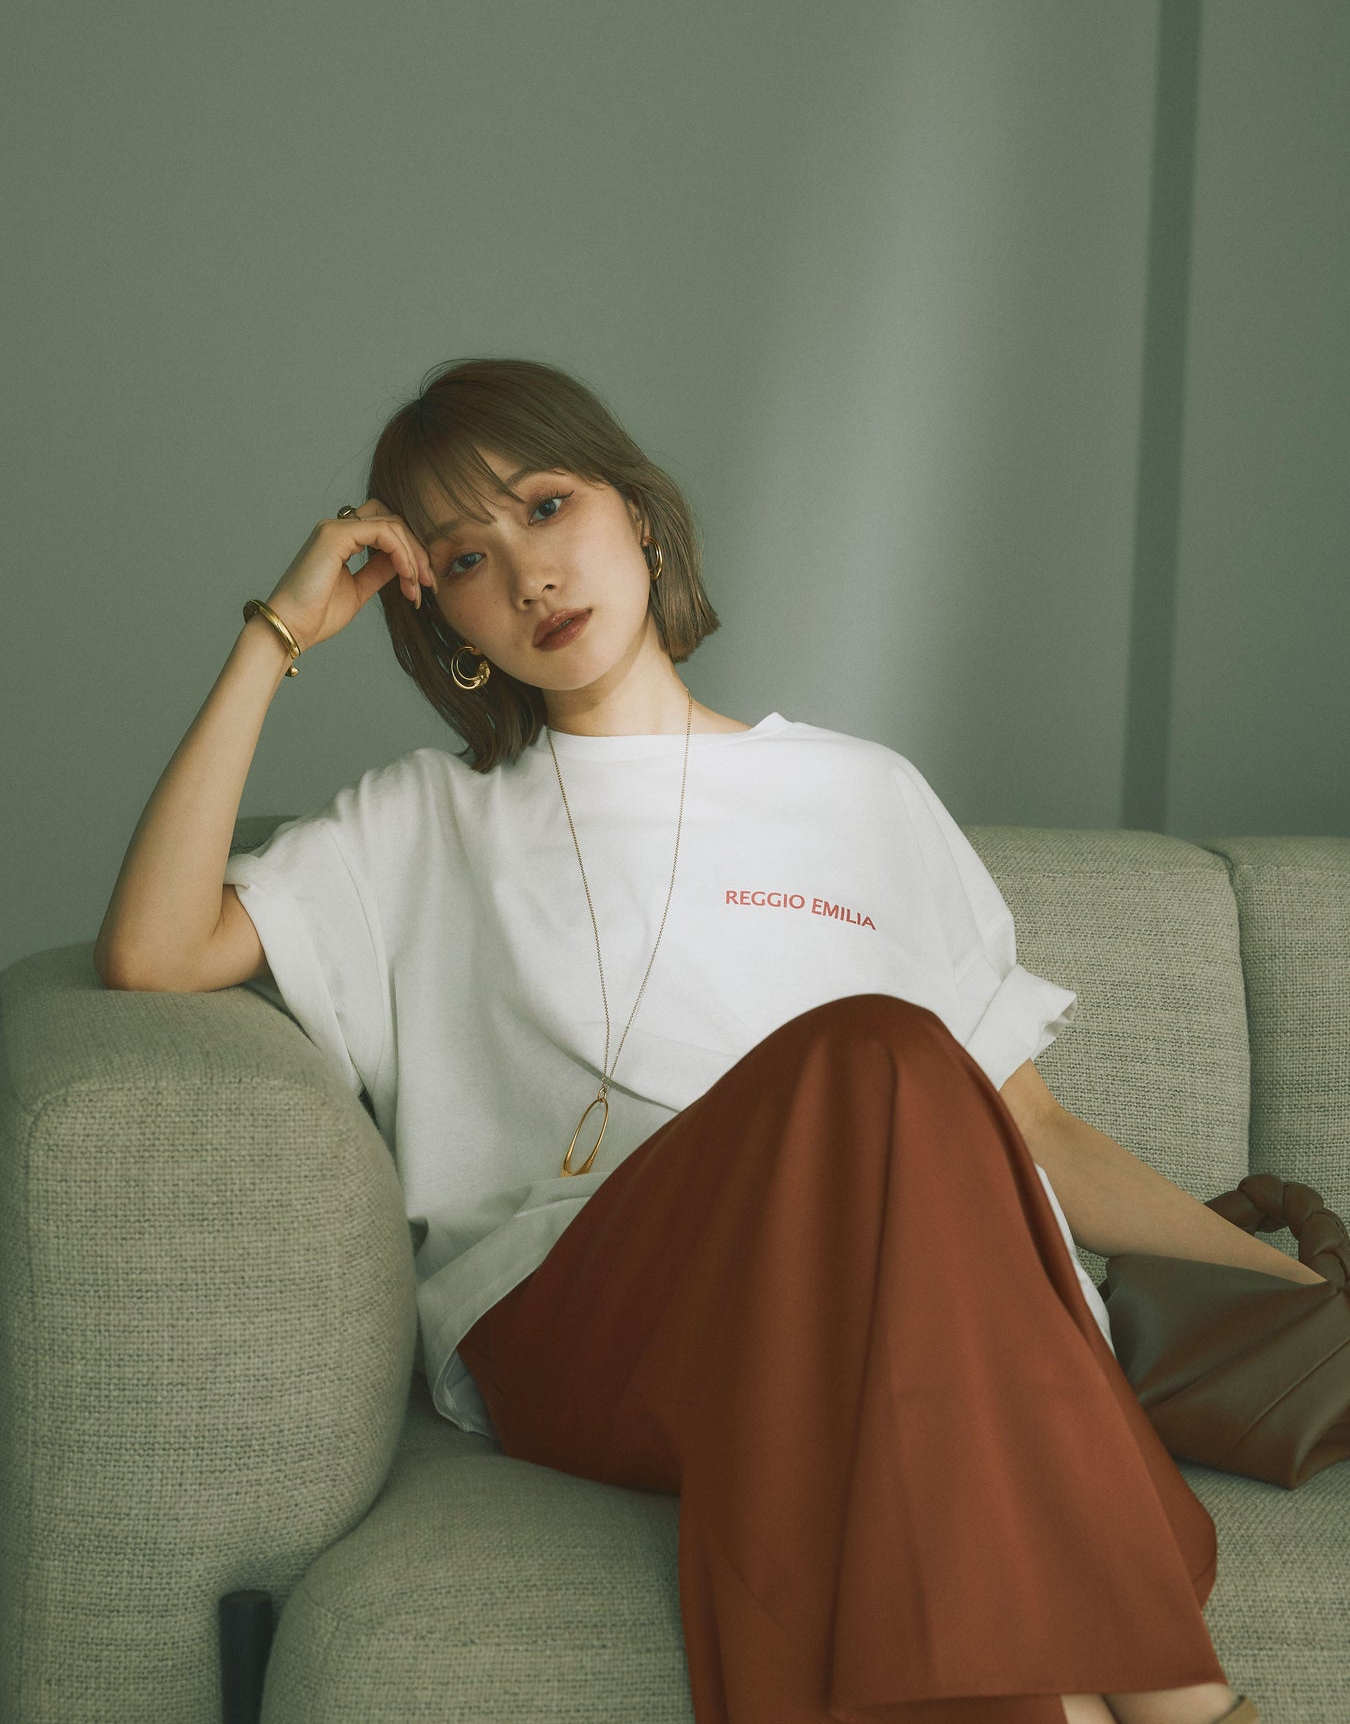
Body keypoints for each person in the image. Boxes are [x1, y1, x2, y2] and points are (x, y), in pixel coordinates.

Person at [95, 357, 1257, 1724]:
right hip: (590, 1323)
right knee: (874, 1057)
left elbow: (1033, 1131)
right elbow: (154, 950)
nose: (529, 573)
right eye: (466, 557)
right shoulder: (423, 820)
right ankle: (1186, 1703)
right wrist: (275, 633)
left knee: (891, 1177)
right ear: (439, 612)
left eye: (548, 506)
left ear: (637, 516)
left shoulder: (862, 796)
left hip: (881, 1335)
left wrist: (1293, 1291)